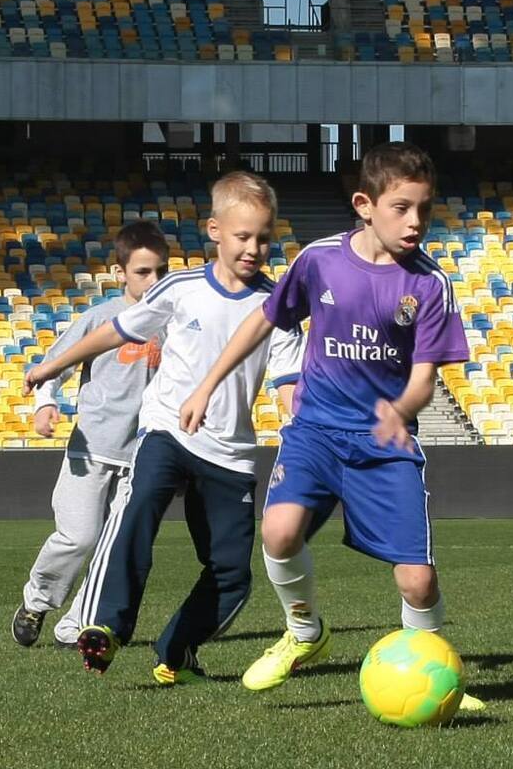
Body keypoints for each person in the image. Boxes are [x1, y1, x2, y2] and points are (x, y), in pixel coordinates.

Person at [180, 142, 481, 706]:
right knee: (278, 532)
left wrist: (401, 410)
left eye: (424, 208)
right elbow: (262, 323)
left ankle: (436, 670)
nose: (415, 221)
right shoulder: (319, 259)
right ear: (365, 204)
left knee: (417, 579)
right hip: (316, 430)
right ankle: (304, 632)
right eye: (402, 207)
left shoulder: (429, 284)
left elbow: (424, 378)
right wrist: (207, 384)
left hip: (383, 444)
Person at [24, 172, 302, 683]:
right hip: (166, 432)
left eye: (264, 237)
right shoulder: (181, 288)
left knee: (232, 575)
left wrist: (296, 413)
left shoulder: (278, 306)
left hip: (231, 453)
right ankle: (104, 626)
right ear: (215, 230)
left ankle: (176, 650)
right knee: (135, 515)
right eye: (243, 236)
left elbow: (288, 380)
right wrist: (49, 367)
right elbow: (114, 331)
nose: (254, 247)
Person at [13, 221, 170, 648]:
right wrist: (46, 403)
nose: (153, 280)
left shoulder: (175, 323)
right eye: (143, 272)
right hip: (92, 449)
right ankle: (38, 600)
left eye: (161, 270)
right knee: (78, 537)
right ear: (119, 273)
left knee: (114, 549)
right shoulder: (100, 318)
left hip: (144, 458)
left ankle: (76, 623)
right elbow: (55, 364)